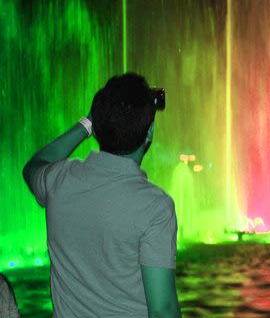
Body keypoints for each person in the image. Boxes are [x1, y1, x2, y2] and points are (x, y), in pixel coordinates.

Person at [23, 73, 181, 317]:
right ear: (148, 132)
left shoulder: (59, 180)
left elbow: (34, 166)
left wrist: (86, 124)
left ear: (96, 129)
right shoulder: (155, 207)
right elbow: (163, 309)